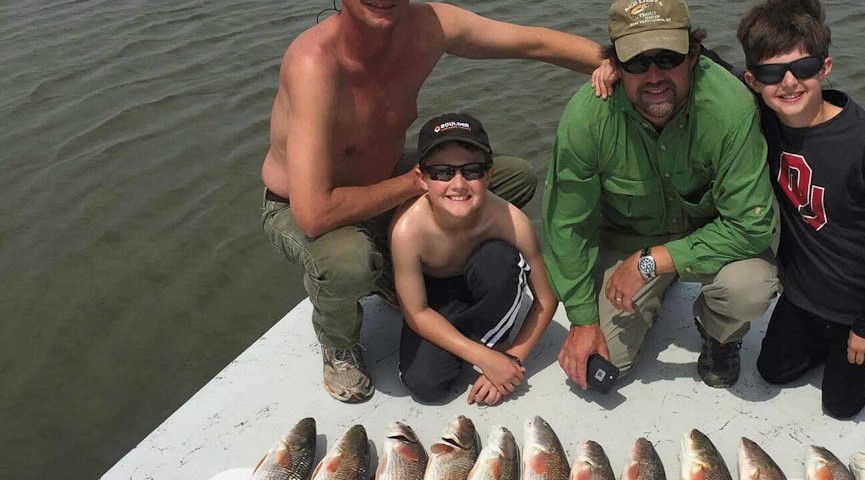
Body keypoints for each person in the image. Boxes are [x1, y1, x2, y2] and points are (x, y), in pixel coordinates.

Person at [260, 1, 613, 402]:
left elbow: (531, 44)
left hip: (389, 177)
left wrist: (618, 63)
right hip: (304, 207)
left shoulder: (427, 25)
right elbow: (314, 214)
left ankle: (404, 271)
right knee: (348, 262)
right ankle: (338, 342)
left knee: (513, 177)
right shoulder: (314, 64)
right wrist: (416, 184)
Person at [542, 0, 780, 391]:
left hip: (711, 238)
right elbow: (566, 225)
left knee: (749, 287)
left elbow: (752, 226)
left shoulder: (732, 106)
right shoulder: (587, 118)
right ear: (614, 64)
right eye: (637, 62)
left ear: (693, 55)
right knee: (600, 370)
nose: (654, 75)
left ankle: (719, 334)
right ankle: (645, 292)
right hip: (628, 239)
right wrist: (583, 320)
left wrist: (653, 263)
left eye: (668, 58)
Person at [738, 0, 865, 419]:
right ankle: (829, 342)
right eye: (772, 74)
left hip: (861, 302)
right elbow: (701, 69)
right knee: (772, 372)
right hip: (805, 294)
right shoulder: (766, 119)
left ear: (825, 68)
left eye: (803, 69)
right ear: (753, 81)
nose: (788, 83)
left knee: (840, 406)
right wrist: (607, 65)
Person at [390, 114, 557, 405]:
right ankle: (478, 340)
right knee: (426, 386)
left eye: (472, 171)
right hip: (433, 298)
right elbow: (416, 312)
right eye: (442, 172)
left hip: (484, 275)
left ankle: (493, 337)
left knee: (501, 260)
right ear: (422, 178)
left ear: (489, 175)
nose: (458, 184)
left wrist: (512, 359)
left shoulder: (511, 222)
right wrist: (482, 357)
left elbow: (546, 298)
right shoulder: (407, 231)